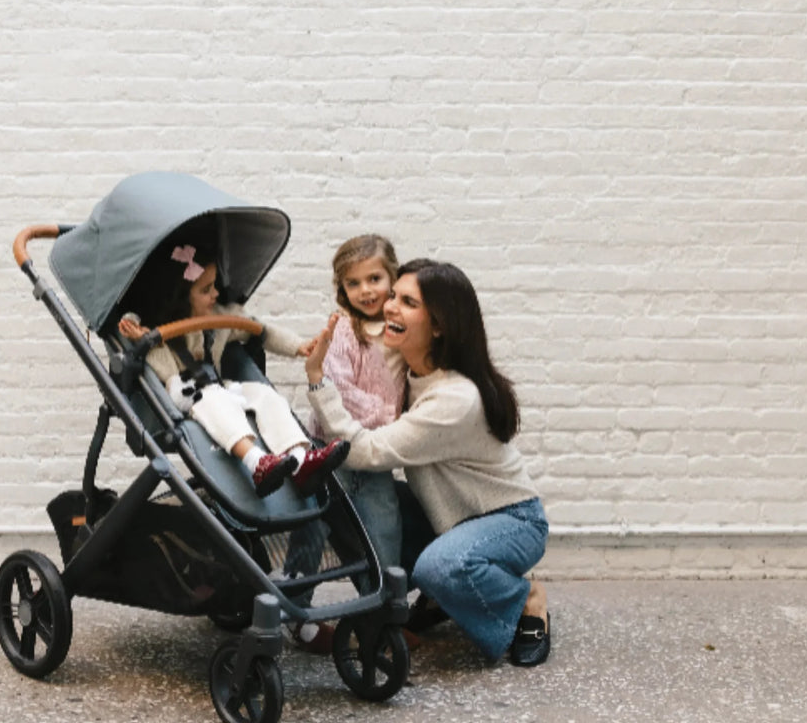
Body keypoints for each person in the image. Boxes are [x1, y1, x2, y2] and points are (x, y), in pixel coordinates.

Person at [305, 258, 551, 666]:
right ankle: (435, 598)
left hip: (510, 520)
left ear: (438, 325)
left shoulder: (454, 398)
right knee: (347, 507)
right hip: (447, 516)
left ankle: (526, 599)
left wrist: (318, 380)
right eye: (393, 296)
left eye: (407, 302)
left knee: (441, 567)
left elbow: (368, 449)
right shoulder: (406, 369)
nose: (388, 306)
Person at [118, 234, 348, 499]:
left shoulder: (220, 317)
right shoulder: (157, 328)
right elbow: (128, 324)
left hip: (217, 384)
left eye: (214, 286)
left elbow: (259, 330)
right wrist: (136, 329)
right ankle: (256, 463)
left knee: (264, 394)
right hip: (184, 396)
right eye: (205, 290)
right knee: (213, 397)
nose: (215, 293)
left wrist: (299, 346)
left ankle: (300, 460)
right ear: (181, 295)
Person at [309, 234, 407, 568]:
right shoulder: (344, 330)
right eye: (354, 283)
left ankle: (385, 609)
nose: (365, 291)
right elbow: (339, 390)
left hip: (375, 455)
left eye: (374, 279)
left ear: (393, 277)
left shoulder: (402, 328)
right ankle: (293, 610)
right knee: (313, 529)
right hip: (332, 450)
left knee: (384, 529)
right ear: (342, 288)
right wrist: (391, 417)